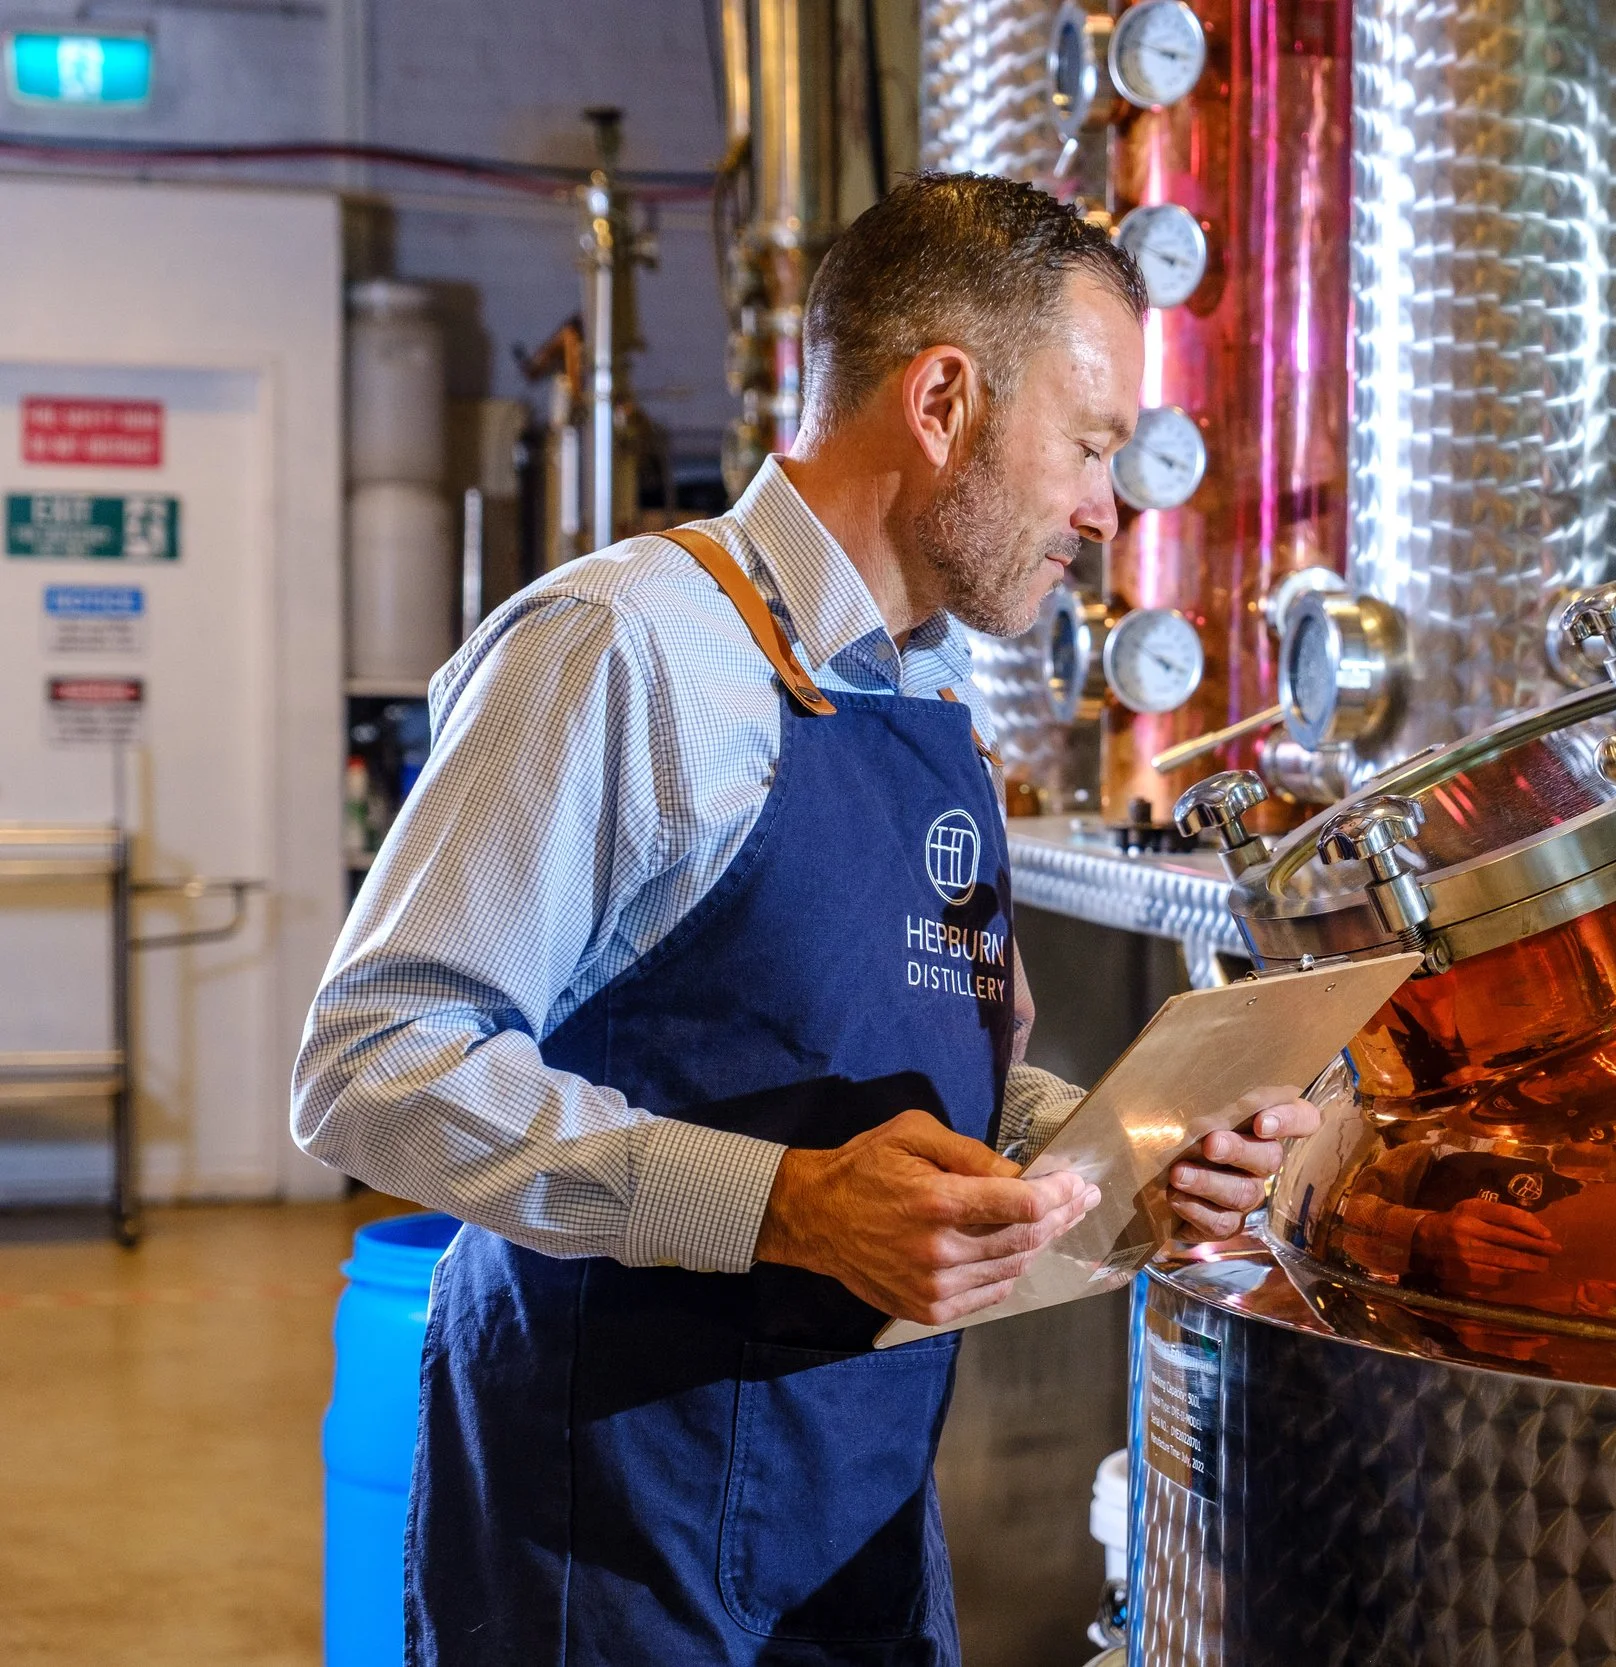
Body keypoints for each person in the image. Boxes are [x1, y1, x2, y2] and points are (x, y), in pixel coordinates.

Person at [292, 171, 1315, 1666]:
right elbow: (372, 1058)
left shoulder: (926, 712)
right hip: (609, 1539)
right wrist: (783, 1203)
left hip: (857, 1531)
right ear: (946, 401)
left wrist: (1136, 1156)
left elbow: (949, 1093)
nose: (1110, 507)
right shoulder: (631, 647)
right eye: (1090, 445)